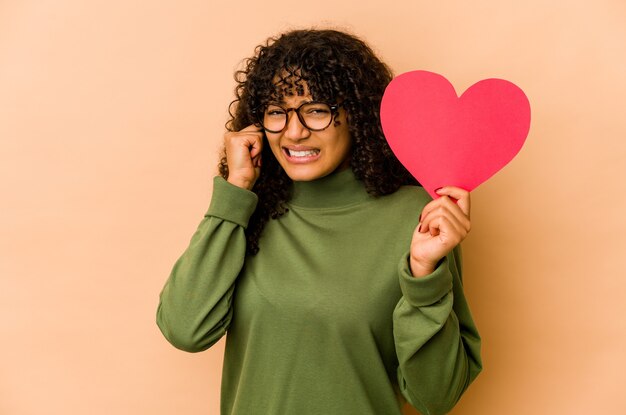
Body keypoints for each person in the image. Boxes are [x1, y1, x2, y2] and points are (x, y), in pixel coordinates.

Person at [157, 29, 482, 415]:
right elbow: (185, 329)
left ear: (355, 115)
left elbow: (436, 396)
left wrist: (424, 273)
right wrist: (236, 189)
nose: (294, 132)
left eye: (316, 110)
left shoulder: (418, 218)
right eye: (277, 112)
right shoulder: (250, 207)